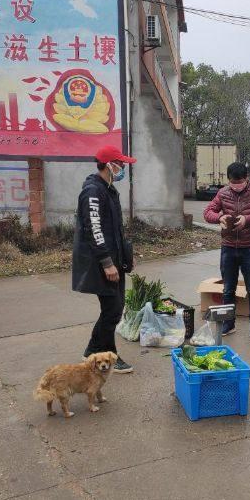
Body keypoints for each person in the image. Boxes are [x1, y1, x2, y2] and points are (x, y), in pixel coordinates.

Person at [72, 145, 136, 373]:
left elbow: (115, 229)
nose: (123, 168)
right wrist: (107, 263)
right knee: (112, 309)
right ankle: (109, 355)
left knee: (115, 309)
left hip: (114, 259)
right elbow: (94, 230)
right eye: (121, 164)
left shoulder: (108, 189)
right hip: (101, 263)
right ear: (110, 165)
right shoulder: (92, 191)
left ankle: (91, 352)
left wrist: (125, 256)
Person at [203, 162, 250, 340]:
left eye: (239, 182)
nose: (236, 186)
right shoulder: (223, 193)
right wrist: (220, 217)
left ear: (247, 178)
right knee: (228, 289)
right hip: (228, 247)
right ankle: (228, 323)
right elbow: (208, 212)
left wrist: (247, 220)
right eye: (233, 183)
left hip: (249, 247)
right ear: (228, 180)